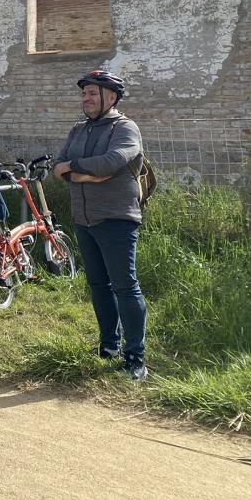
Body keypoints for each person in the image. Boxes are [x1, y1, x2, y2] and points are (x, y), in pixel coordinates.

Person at [54, 70, 148, 381]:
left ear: (111, 97)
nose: (86, 99)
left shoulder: (125, 128)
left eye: (93, 93)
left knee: (125, 286)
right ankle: (109, 347)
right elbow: (59, 166)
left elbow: (112, 162)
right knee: (98, 285)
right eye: (83, 94)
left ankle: (135, 357)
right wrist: (86, 173)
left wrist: (76, 169)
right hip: (84, 218)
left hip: (117, 218)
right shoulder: (78, 129)